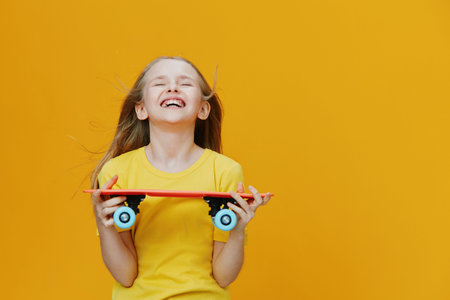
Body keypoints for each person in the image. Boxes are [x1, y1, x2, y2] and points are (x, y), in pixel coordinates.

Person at [89, 56, 271, 299]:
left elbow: (224, 276)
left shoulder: (226, 171)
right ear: (141, 109)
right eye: (159, 83)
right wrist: (105, 226)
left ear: (203, 109)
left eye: (185, 83)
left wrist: (237, 230)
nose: (172, 88)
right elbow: (125, 275)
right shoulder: (116, 172)